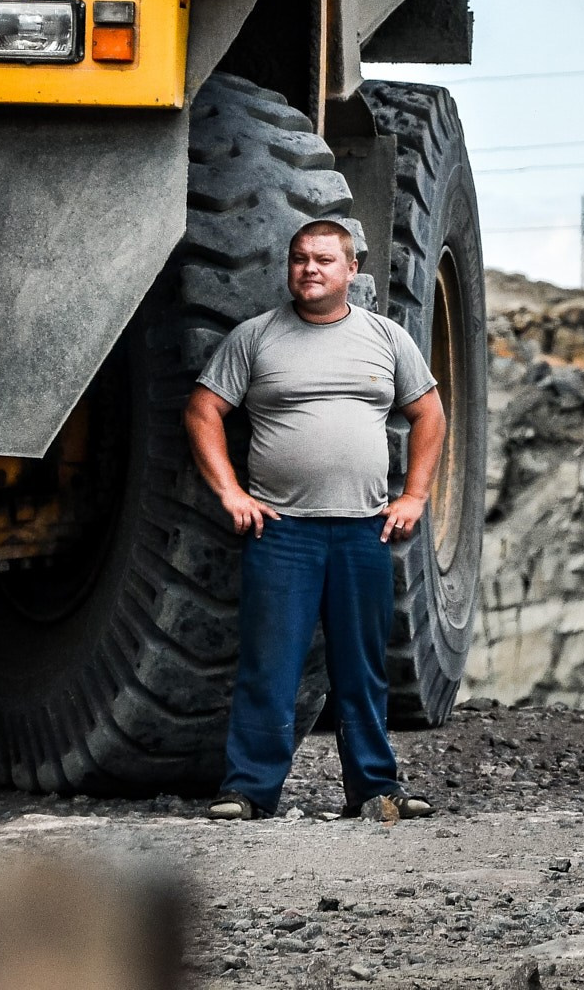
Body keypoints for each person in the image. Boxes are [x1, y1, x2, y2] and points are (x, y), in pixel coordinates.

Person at [184, 218, 447, 821]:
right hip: (283, 533)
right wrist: (229, 491)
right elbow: (202, 411)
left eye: (324, 260)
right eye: (300, 258)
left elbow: (429, 414)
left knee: (362, 668)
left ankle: (376, 790)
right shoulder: (256, 337)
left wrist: (414, 496)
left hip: (363, 530)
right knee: (268, 665)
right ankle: (248, 791)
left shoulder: (386, 338)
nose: (310, 268)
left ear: (351, 270)